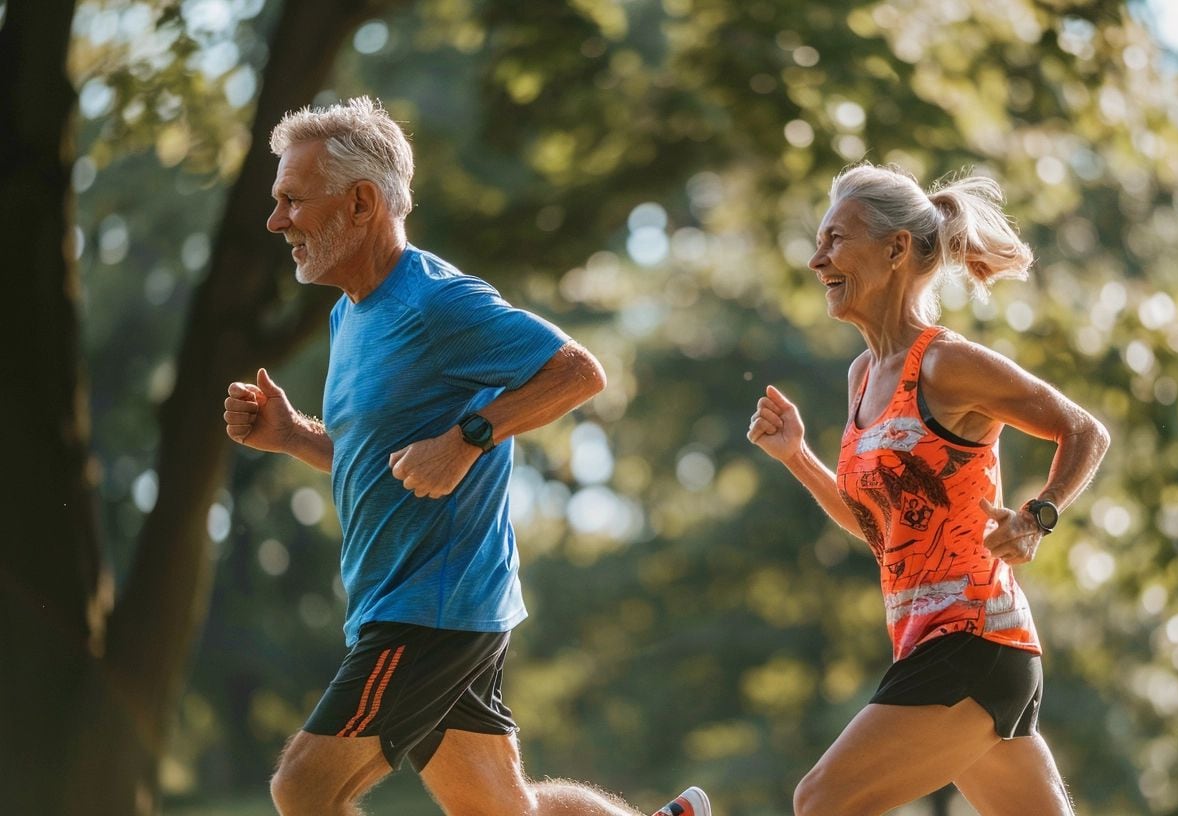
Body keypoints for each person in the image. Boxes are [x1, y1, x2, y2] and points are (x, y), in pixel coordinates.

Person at [222, 96, 710, 816]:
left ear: (361, 203)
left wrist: (469, 438)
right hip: (414, 602)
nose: (276, 221)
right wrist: (294, 435)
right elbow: (385, 461)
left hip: (432, 609)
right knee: (505, 810)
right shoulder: (349, 312)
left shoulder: (436, 302)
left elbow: (578, 372)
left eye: (293, 200)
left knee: (304, 787)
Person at [747, 163, 1110, 816]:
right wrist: (796, 455)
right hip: (947, 648)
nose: (815, 258)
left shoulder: (945, 363)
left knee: (821, 802)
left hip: (972, 642)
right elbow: (878, 528)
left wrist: (1037, 516)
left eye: (834, 239)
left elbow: (1083, 431)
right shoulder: (862, 376)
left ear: (894, 250)